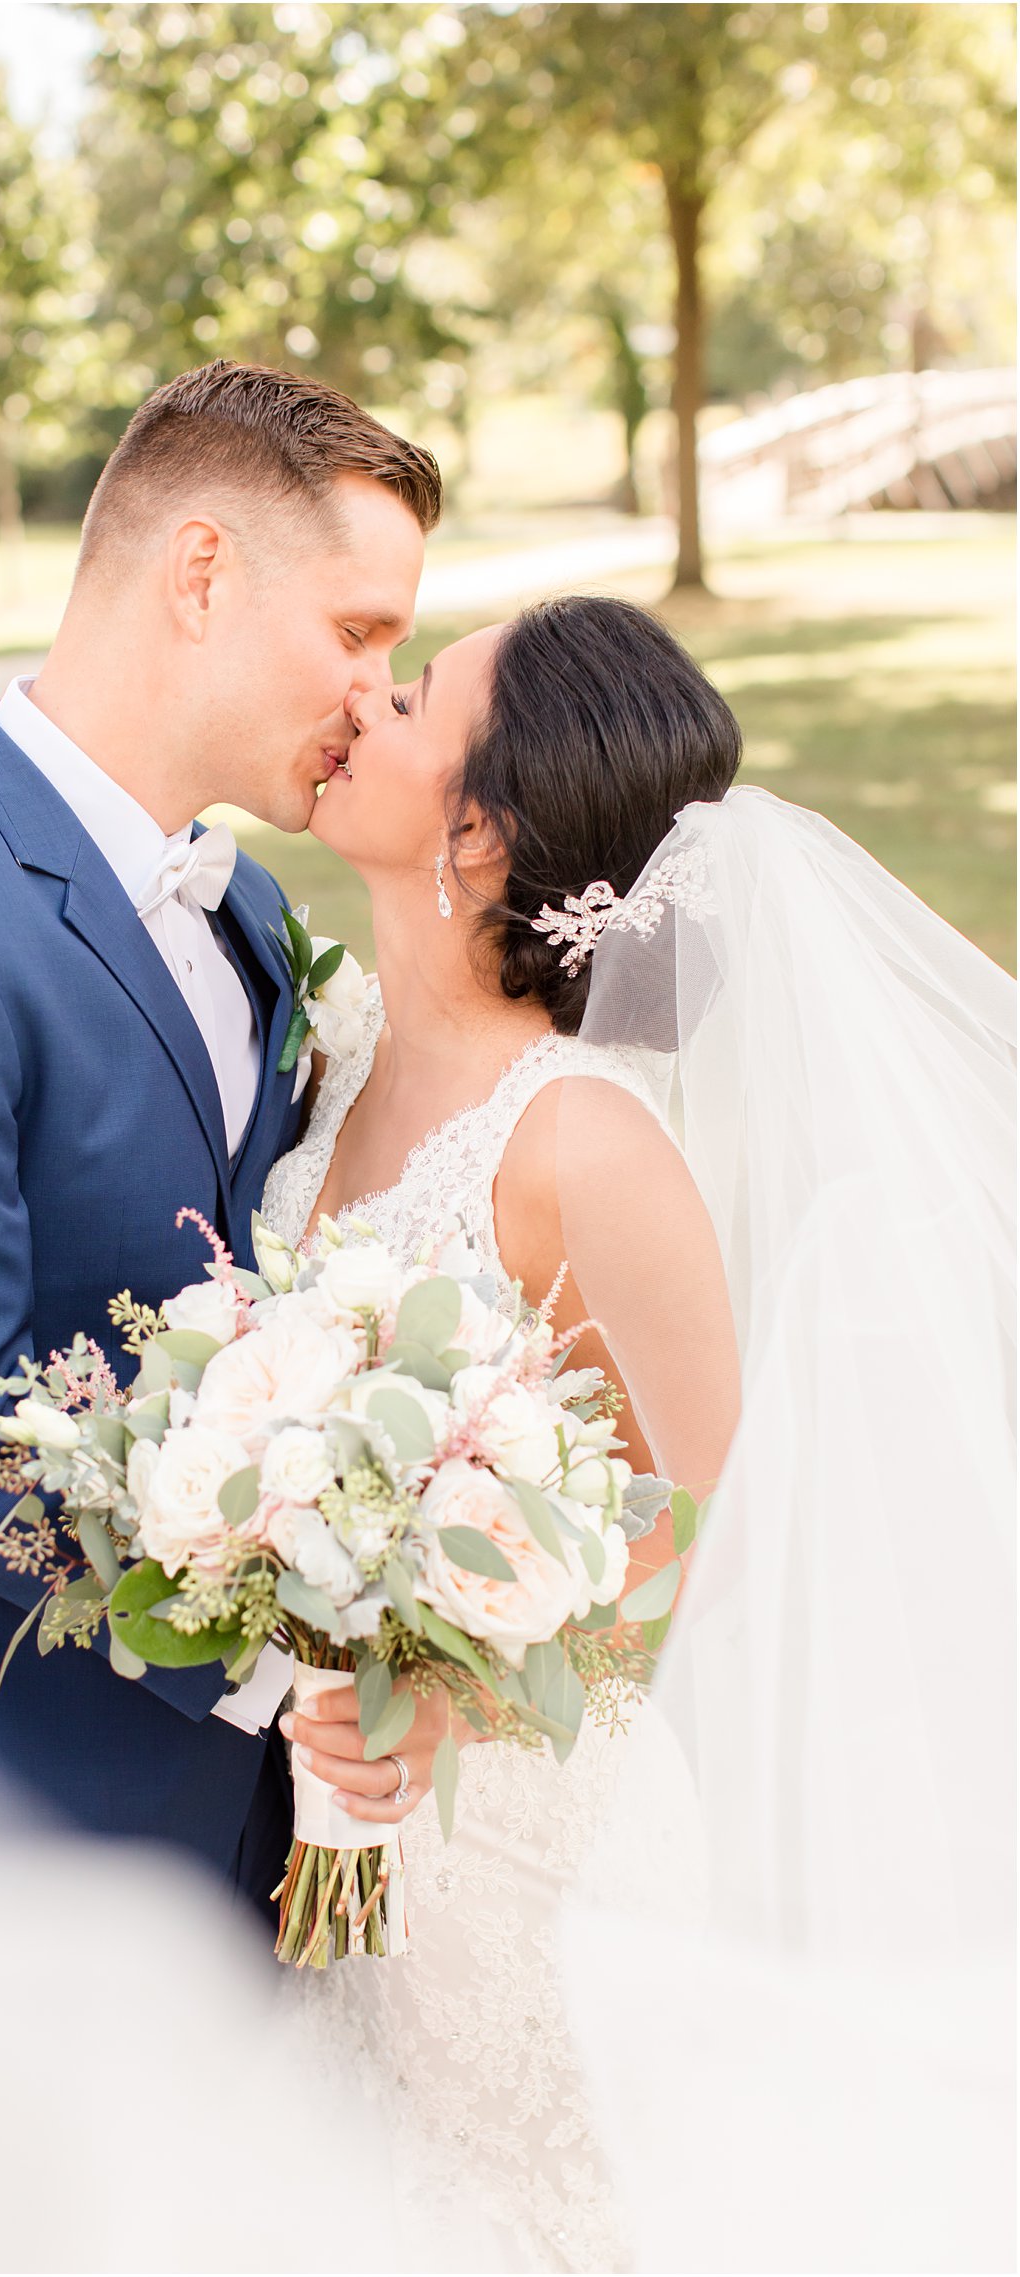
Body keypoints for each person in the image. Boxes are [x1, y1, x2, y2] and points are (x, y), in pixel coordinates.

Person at [263, 593, 1015, 2270]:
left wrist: (454, 1702)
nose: (365, 699)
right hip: (348, 1831)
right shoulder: (335, 1053)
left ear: (480, 831)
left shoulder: (585, 1142)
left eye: (416, 696)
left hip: (533, 1851)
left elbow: (725, 1521)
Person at [0, 361, 438, 1917]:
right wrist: (278, 1649)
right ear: (201, 574)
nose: (377, 695)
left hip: (231, 1858)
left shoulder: (245, 908)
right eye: (356, 631)